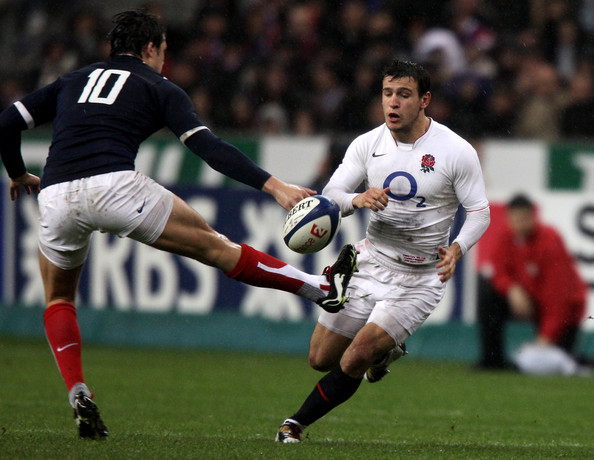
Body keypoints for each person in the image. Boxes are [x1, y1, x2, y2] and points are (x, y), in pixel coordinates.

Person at [0, 10, 358, 440]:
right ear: (151, 47)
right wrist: (275, 187)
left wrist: (17, 173)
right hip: (115, 186)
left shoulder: (71, 80)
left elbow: (6, 123)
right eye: (164, 50)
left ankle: (77, 390)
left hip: (56, 193)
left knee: (58, 298)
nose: (164, 59)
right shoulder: (157, 86)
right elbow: (208, 146)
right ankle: (321, 289)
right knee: (216, 247)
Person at [275, 59, 490, 443]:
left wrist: (458, 248)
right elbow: (332, 194)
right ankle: (386, 352)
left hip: (420, 278)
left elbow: (479, 212)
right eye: (388, 93)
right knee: (320, 359)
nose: (393, 102)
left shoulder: (456, 150)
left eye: (404, 94)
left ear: (424, 100)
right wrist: (357, 199)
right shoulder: (367, 144)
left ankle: (295, 424)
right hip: (371, 262)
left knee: (356, 354)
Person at [477, 194, 588, 374]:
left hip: (564, 310)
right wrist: (511, 289)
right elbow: (499, 271)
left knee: (559, 361)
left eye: (524, 219)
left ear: (533, 217)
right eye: (516, 219)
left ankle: (581, 362)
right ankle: (493, 360)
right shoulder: (506, 238)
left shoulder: (549, 241)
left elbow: (558, 297)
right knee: (487, 292)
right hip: (530, 300)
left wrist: (545, 338)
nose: (519, 224)